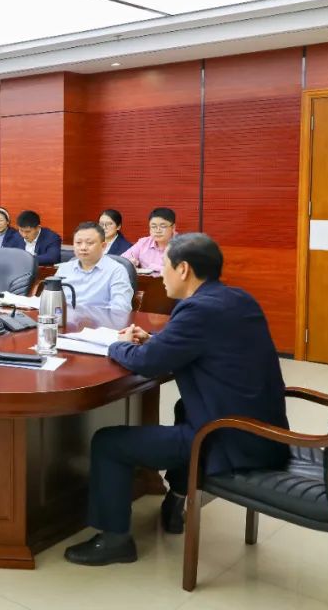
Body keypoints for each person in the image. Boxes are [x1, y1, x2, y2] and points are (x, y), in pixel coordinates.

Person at [64, 234, 289, 566]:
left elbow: (148, 363)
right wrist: (155, 339)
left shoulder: (197, 309)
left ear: (183, 269)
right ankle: (177, 498)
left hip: (227, 439)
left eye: (164, 266)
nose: (160, 274)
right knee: (185, 407)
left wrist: (115, 345)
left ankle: (115, 540)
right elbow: (199, 342)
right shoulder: (238, 298)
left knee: (108, 443)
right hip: (266, 432)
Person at [53, 222, 132, 312]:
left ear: (103, 246)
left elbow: (121, 310)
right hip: (65, 319)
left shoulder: (116, 271)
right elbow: (50, 302)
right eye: (78, 243)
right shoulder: (64, 269)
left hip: (100, 320)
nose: (83, 247)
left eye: (89, 243)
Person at [122, 207, 177, 274]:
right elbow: (121, 260)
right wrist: (129, 262)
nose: (158, 230)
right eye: (153, 226)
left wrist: (153, 267)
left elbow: (182, 271)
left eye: (163, 226)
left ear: (173, 227)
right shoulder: (143, 243)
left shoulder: (183, 245)